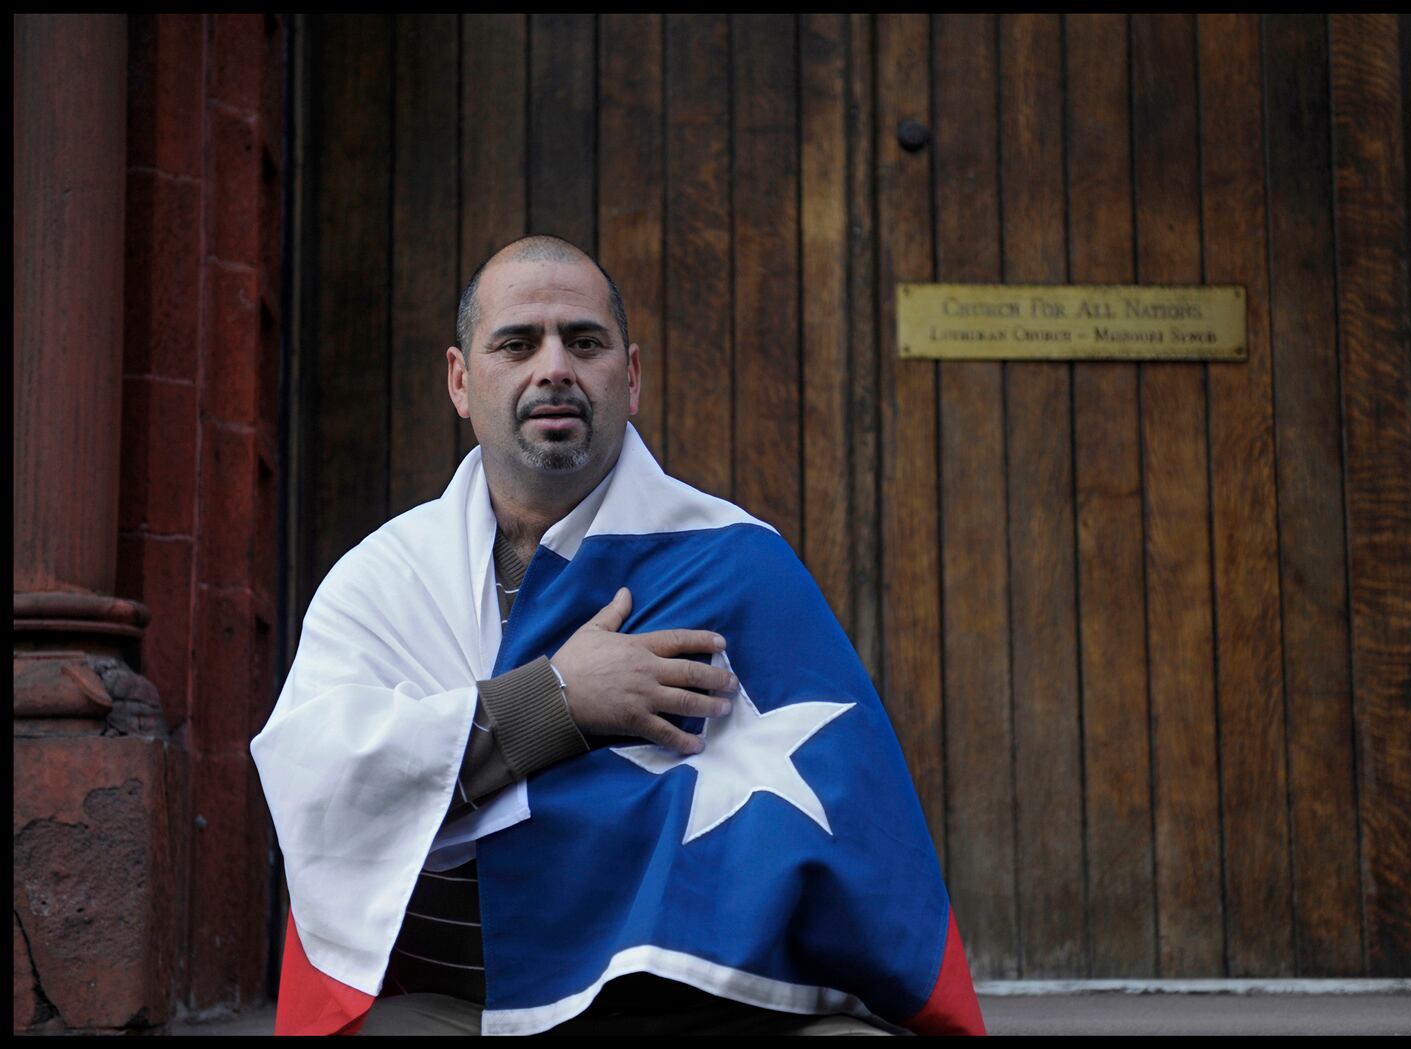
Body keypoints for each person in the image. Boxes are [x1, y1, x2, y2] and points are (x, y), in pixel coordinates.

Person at [251, 236, 984, 1037]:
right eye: (518, 343)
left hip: (703, 1005)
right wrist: (555, 700)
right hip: (475, 1007)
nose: (555, 366)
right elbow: (319, 775)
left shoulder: (736, 561)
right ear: (462, 381)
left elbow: (846, 807)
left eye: (585, 341)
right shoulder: (385, 580)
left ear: (629, 378)